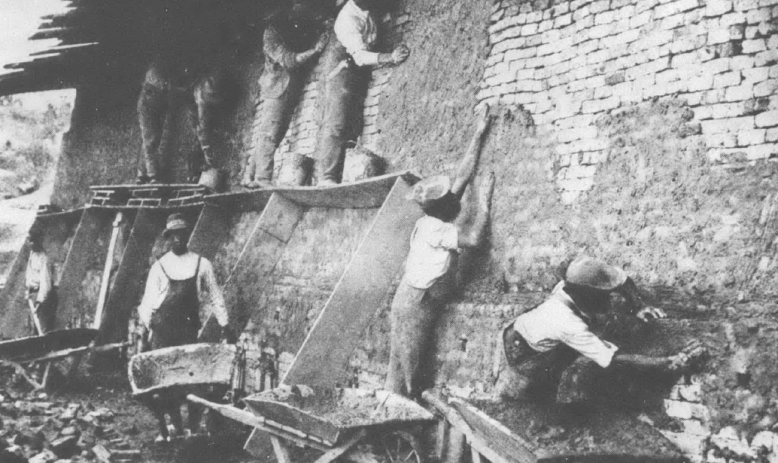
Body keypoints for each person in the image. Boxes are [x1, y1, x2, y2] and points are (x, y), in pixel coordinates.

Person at [385, 105, 495, 398]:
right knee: (408, 368)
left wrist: (479, 133)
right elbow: (473, 239)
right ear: (444, 205)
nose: (454, 193)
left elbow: (462, 175)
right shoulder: (435, 228)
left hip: (412, 296)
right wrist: (484, 201)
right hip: (413, 303)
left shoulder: (436, 215)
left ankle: (395, 411)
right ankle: (404, 419)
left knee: (402, 364)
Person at [493, 255, 706, 403]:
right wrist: (669, 362)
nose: (610, 298)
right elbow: (614, 358)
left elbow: (622, 282)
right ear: (585, 294)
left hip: (539, 337)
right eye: (603, 295)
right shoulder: (566, 322)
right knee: (519, 410)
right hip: (521, 358)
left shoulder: (576, 282)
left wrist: (638, 306)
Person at [136, 213, 236, 441]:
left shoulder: (202, 264)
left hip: (187, 331)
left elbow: (215, 296)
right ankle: (176, 428)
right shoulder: (160, 266)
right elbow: (148, 303)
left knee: (192, 379)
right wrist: (145, 332)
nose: (178, 239)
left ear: (188, 235)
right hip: (162, 332)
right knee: (166, 383)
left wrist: (225, 324)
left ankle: (191, 427)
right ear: (168, 238)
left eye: (182, 234)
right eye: (173, 235)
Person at [314, 0, 411, 185]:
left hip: (357, 70)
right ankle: (326, 176)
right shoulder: (347, 19)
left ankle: (347, 174)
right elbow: (359, 56)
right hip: (340, 69)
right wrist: (389, 57)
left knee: (354, 123)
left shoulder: (369, 8)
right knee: (337, 121)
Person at [241, 2, 329, 189]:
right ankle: (262, 179)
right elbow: (289, 60)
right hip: (276, 88)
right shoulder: (271, 34)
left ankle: (248, 177)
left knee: (272, 133)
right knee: (270, 134)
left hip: (288, 87)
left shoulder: (292, 26)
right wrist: (316, 50)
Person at [136, 59, 228, 185]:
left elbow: (200, 124)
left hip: (158, 106)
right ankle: (153, 176)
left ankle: (141, 174)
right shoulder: (156, 78)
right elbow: (201, 125)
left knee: (151, 139)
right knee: (150, 140)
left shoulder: (197, 90)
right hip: (148, 106)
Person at [25, 228, 57, 335]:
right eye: (30, 240)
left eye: (34, 240)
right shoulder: (32, 255)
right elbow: (30, 274)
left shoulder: (45, 259)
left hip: (44, 298)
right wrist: (28, 290)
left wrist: (39, 302)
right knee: (34, 329)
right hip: (34, 294)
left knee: (43, 331)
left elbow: (45, 284)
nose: (31, 243)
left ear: (40, 240)